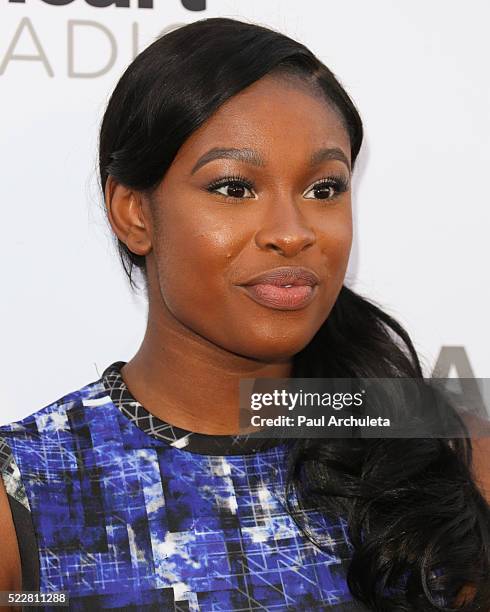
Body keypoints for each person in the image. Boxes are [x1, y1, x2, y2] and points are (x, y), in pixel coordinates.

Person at [0, 16, 489, 612]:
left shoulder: (447, 450)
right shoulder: (30, 486)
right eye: (234, 188)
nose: (293, 233)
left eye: (324, 189)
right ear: (133, 212)